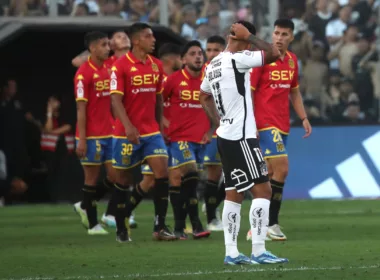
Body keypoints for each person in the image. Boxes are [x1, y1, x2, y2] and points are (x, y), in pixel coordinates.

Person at [200, 21, 288, 265]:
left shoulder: (213, 64)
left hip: (226, 134)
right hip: (241, 136)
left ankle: (231, 252)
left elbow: (203, 96)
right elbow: (274, 53)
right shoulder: (238, 59)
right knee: (263, 189)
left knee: (234, 193)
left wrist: (219, 121)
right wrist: (251, 35)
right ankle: (259, 251)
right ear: (245, 38)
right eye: (249, 39)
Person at [246, 19, 312, 242]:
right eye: (276, 33)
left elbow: (294, 92)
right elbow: (250, 92)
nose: (279, 38)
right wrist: (251, 123)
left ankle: (257, 225)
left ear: (291, 37)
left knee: (270, 176)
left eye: (284, 34)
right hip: (264, 123)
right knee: (282, 169)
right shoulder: (262, 59)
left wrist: (303, 117)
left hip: (283, 123)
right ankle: (271, 223)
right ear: (271, 34)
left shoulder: (292, 60)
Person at [110, 22, 176, 242]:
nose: (153, 40)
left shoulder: (156, 65)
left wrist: (159, 125)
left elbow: (158, 99)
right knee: (124, 181)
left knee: (162, 173)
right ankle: (121, 225)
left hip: (151, 132)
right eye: (149, 36)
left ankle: (160, 226)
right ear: (137, 40)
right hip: (124, 133)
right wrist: (128, 126)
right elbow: (115, 100)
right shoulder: (120, 66)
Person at [163, 40, 212, 240]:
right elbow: (157, 103)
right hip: (179, 138)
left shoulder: (209, 80)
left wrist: (211, 130)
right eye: (192, 53)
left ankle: (179, 227)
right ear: (183, 59)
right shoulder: (173, 80)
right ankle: (196, 224)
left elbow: (214, 107)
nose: (198, 56)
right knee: (191, 173)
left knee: (186, 182)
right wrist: (165, 125)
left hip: (200, 140)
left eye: (200, 53)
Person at [73, 31, 113, 235]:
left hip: (110, 133)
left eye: (108, 44)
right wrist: (82, 138)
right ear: (93, 48)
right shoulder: (83, 73)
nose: (108, 48)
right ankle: (93, 224)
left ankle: (84, 203)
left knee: (116, 175)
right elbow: (81, 109)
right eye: (104, 45)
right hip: (92, 135)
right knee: (92, 178)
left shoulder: (108, 68)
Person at [202, 35, 226, 231]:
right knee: (214, 172)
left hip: (230, 127)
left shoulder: (228, 67)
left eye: (215, 50)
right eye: (208, 50)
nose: (210, 54)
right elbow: (204, 100)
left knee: (233, 175)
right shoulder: (206, 70)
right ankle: (211, 216)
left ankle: (211, 207)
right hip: (214, 129)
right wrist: (212, 126)